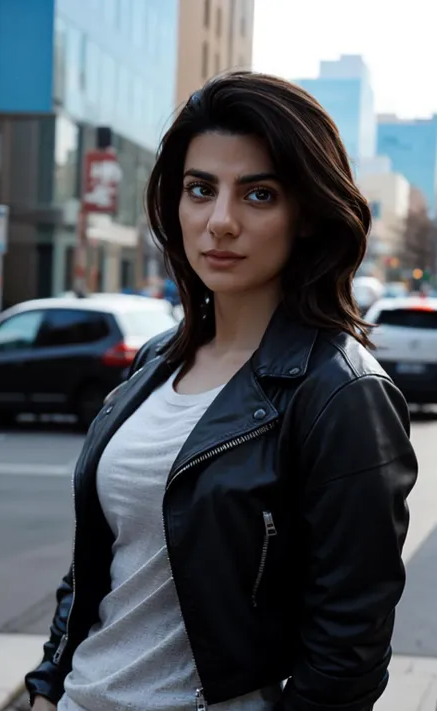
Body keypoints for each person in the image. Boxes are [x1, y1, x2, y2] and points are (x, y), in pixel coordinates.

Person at [26, 72, 418, 711]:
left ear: (309, 216)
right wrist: (47, 683)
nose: (221, 221)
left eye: (259, 194)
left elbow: (349, 648)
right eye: (200, 189)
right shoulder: (157, 359)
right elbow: (100, 562)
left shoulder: (341, 394)